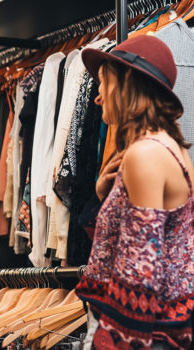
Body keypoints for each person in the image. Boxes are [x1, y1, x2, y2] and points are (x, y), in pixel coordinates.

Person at [75, 35, 194, 349]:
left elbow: (139, 277)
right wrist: (104, 196)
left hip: (143, 336)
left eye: (102, 83)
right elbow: (149, 243)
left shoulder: (145, 155)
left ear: (124, 82)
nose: (97, 97)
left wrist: (113, 342)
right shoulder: (173, 150)